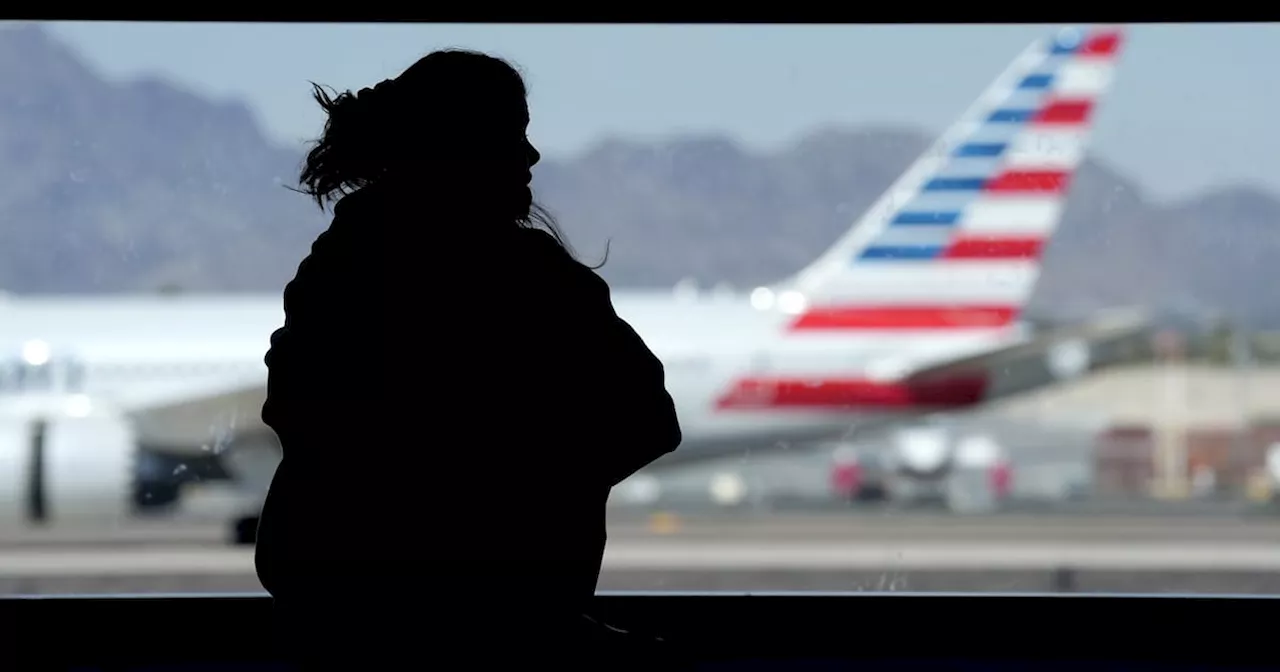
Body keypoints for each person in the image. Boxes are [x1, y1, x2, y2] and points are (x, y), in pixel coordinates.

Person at [253, 50, 683, 667]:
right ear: (457, 147)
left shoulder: (335, 273)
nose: (531, 157)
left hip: (330, 622)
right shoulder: (529, 278)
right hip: (507, 626)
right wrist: (530, 507)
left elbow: (308, 421)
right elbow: (647, 418)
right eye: (513, 135)